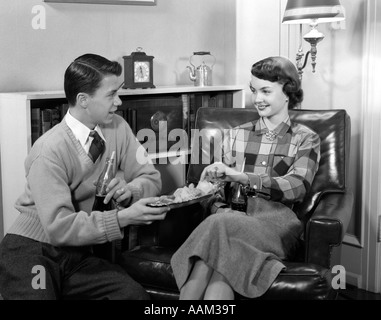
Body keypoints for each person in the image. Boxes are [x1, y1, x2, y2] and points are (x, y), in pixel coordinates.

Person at [0, 54, 170, 300]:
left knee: (133, 296)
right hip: (31, 250)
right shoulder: (49, 150)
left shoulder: (119, 128)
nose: (119, 101)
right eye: (111, 95)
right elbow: (59, 228)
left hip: (77, 255)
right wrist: (122, 218)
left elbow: (151, 178)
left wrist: (131, 191)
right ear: (83, 100)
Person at [170, 56, 321, 300]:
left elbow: (297, 187)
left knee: (218, 231)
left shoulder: (305, 138)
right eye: (254, 90)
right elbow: (217, 192)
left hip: (276, 225)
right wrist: (206, 189)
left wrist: (241, 177)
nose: (258, 99)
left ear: (288, 92)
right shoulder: (236, 135)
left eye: (266, 91)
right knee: (223, 260)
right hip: (231, 222)